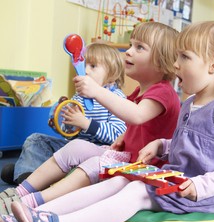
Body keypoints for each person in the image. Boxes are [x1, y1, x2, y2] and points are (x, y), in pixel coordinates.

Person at [1, 20, 214, 222]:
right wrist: (161, 145)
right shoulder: (190, 103)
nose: (176, 64)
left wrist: (202, 187)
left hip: (204, 193)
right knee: (120, 181)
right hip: (176, 178)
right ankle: (35, 216)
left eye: (185, 57)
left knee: (136, 190)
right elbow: (190, 144)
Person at [0, 22, 181, 216]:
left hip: (146, 169)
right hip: (128, 158)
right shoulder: (139, 90)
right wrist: (124, 137)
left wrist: (96, 92)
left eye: (139, 47)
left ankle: (33, 202)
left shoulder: (164, 92)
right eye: (130, 45)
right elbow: (139, 125)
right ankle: (19, 192)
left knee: (94, 164)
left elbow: (137, 115)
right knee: (76, 146)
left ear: (162, 61)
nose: (128, 52)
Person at [0, 43, 127, 186]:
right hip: (72, 149)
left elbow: (118, 136)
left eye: (93, 66)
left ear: (112, 74)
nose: (85, 70)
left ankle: (29, 176)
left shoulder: (117, 98)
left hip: (98, 154)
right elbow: (69, 134)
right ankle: (26, 175)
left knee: (72, 157)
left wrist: (86, 124)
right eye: (83, 65)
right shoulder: (79, 97)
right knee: (36, 139)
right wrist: (62, 125)